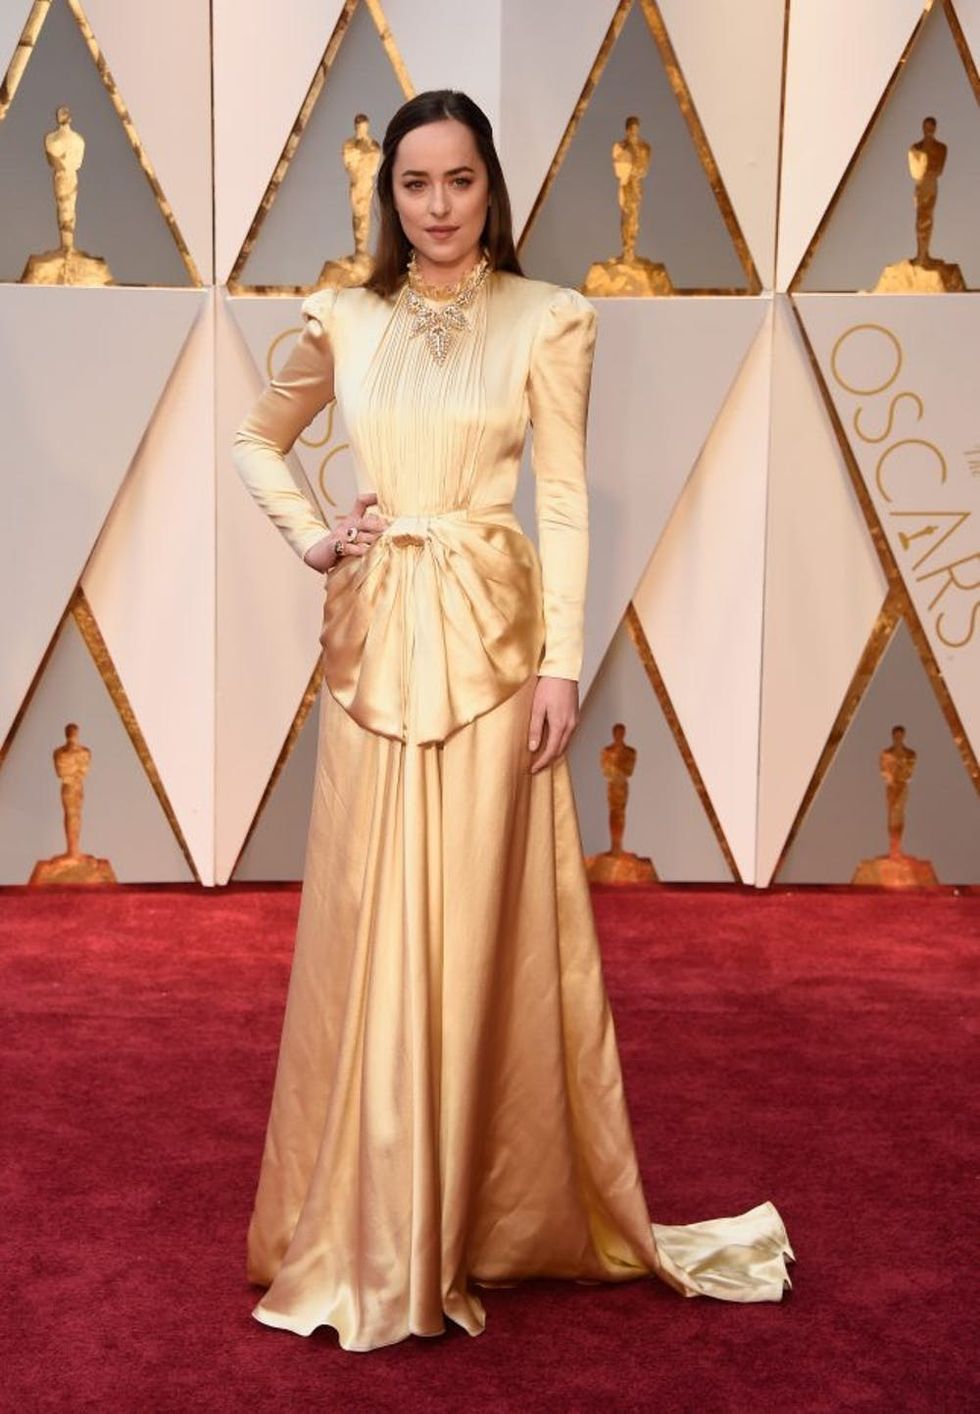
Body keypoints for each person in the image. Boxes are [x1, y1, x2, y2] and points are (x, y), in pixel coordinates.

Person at [232, 89, 793, 1354]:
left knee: (475, 925)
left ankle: (464, 1216)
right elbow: (257, 441)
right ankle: (368, 1217)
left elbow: (560, 496)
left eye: (459, 182)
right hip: (374, 645)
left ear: (494, 187)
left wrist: (559, 666)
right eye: (414, 185)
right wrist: (319, 539)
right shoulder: (343, 313)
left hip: (493, 653)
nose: (436, 207)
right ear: (390, 197)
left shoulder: (551, 318)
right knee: (372, 918)